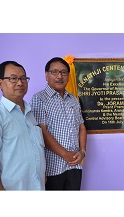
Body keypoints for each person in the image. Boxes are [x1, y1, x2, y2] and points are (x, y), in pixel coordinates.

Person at [30, 57, 87, 190]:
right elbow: (41, 132)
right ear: (46, 75)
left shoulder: (73, 99)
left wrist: (82, 152)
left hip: (75, 165)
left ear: (68, 76)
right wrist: (67, 155)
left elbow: (82, 127)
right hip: (52, 168)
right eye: (54, 72)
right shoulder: (39, 99)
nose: (59, 76)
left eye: (63, 72)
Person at [0, 61, 46, 190]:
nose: (20, 83)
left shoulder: (31, 113)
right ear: (0, 83)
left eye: (23, 78)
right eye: (13, 78)